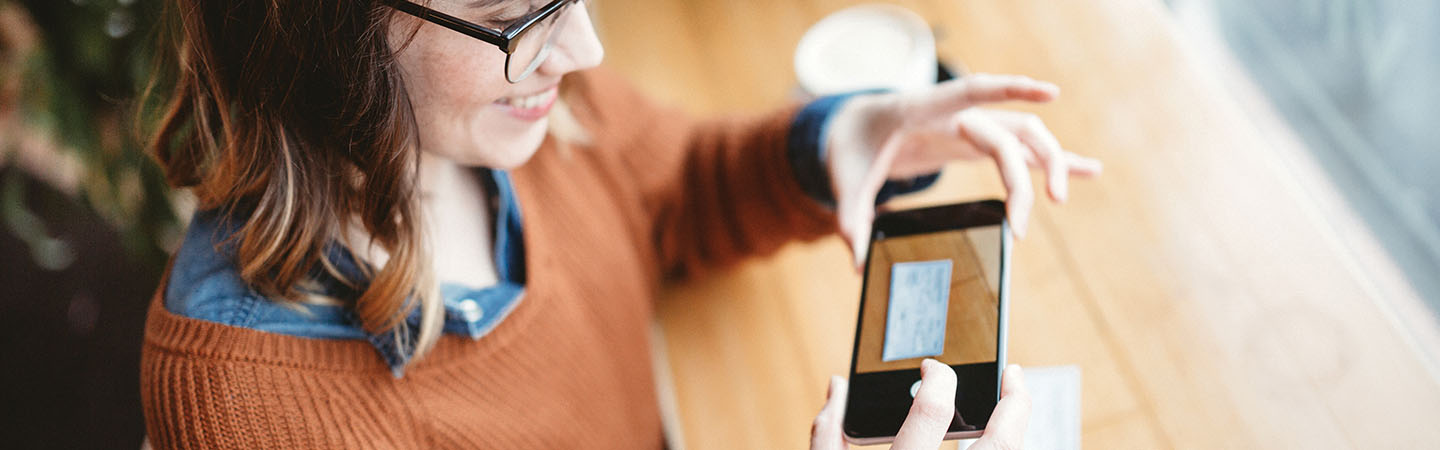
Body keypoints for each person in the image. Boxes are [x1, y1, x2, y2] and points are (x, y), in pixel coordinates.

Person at [139, 0, 1100, 448]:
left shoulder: (519, 114)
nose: (587, 46)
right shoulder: (250, 415)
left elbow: (671, 187)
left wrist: (844, 139)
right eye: (518, 12)